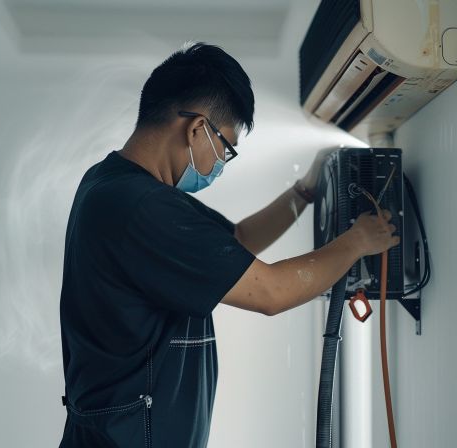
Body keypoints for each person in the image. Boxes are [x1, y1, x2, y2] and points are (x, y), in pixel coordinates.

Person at [58, 42, 399, 448]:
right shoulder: (143, 207)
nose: (221, 161)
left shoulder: (115, 184)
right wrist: (356, 243)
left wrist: (305, 191)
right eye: (226, 146)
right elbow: (271, 292)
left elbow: (234, 242)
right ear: (197, 128)